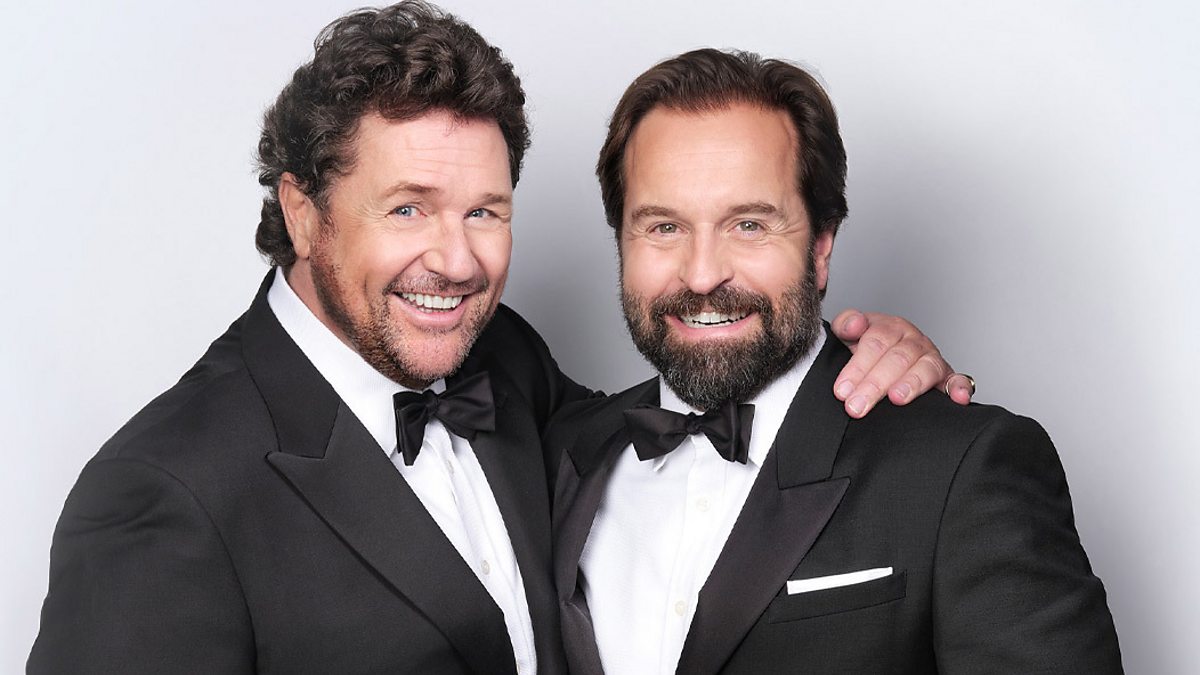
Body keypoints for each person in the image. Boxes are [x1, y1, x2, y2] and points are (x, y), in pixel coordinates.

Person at [28, 5, 969, 674]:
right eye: (408, 207)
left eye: (485, 210)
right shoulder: (163, 494)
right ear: (304, 213)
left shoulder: (500, 358)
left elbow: (688, 417)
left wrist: (855, 357)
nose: (456, 260)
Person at [549, 48, 1122, 674]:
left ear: (821, 247)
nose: (703, 275)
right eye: (664, 227)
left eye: (749, 225)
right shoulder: (556, 454)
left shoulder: (965, 467)